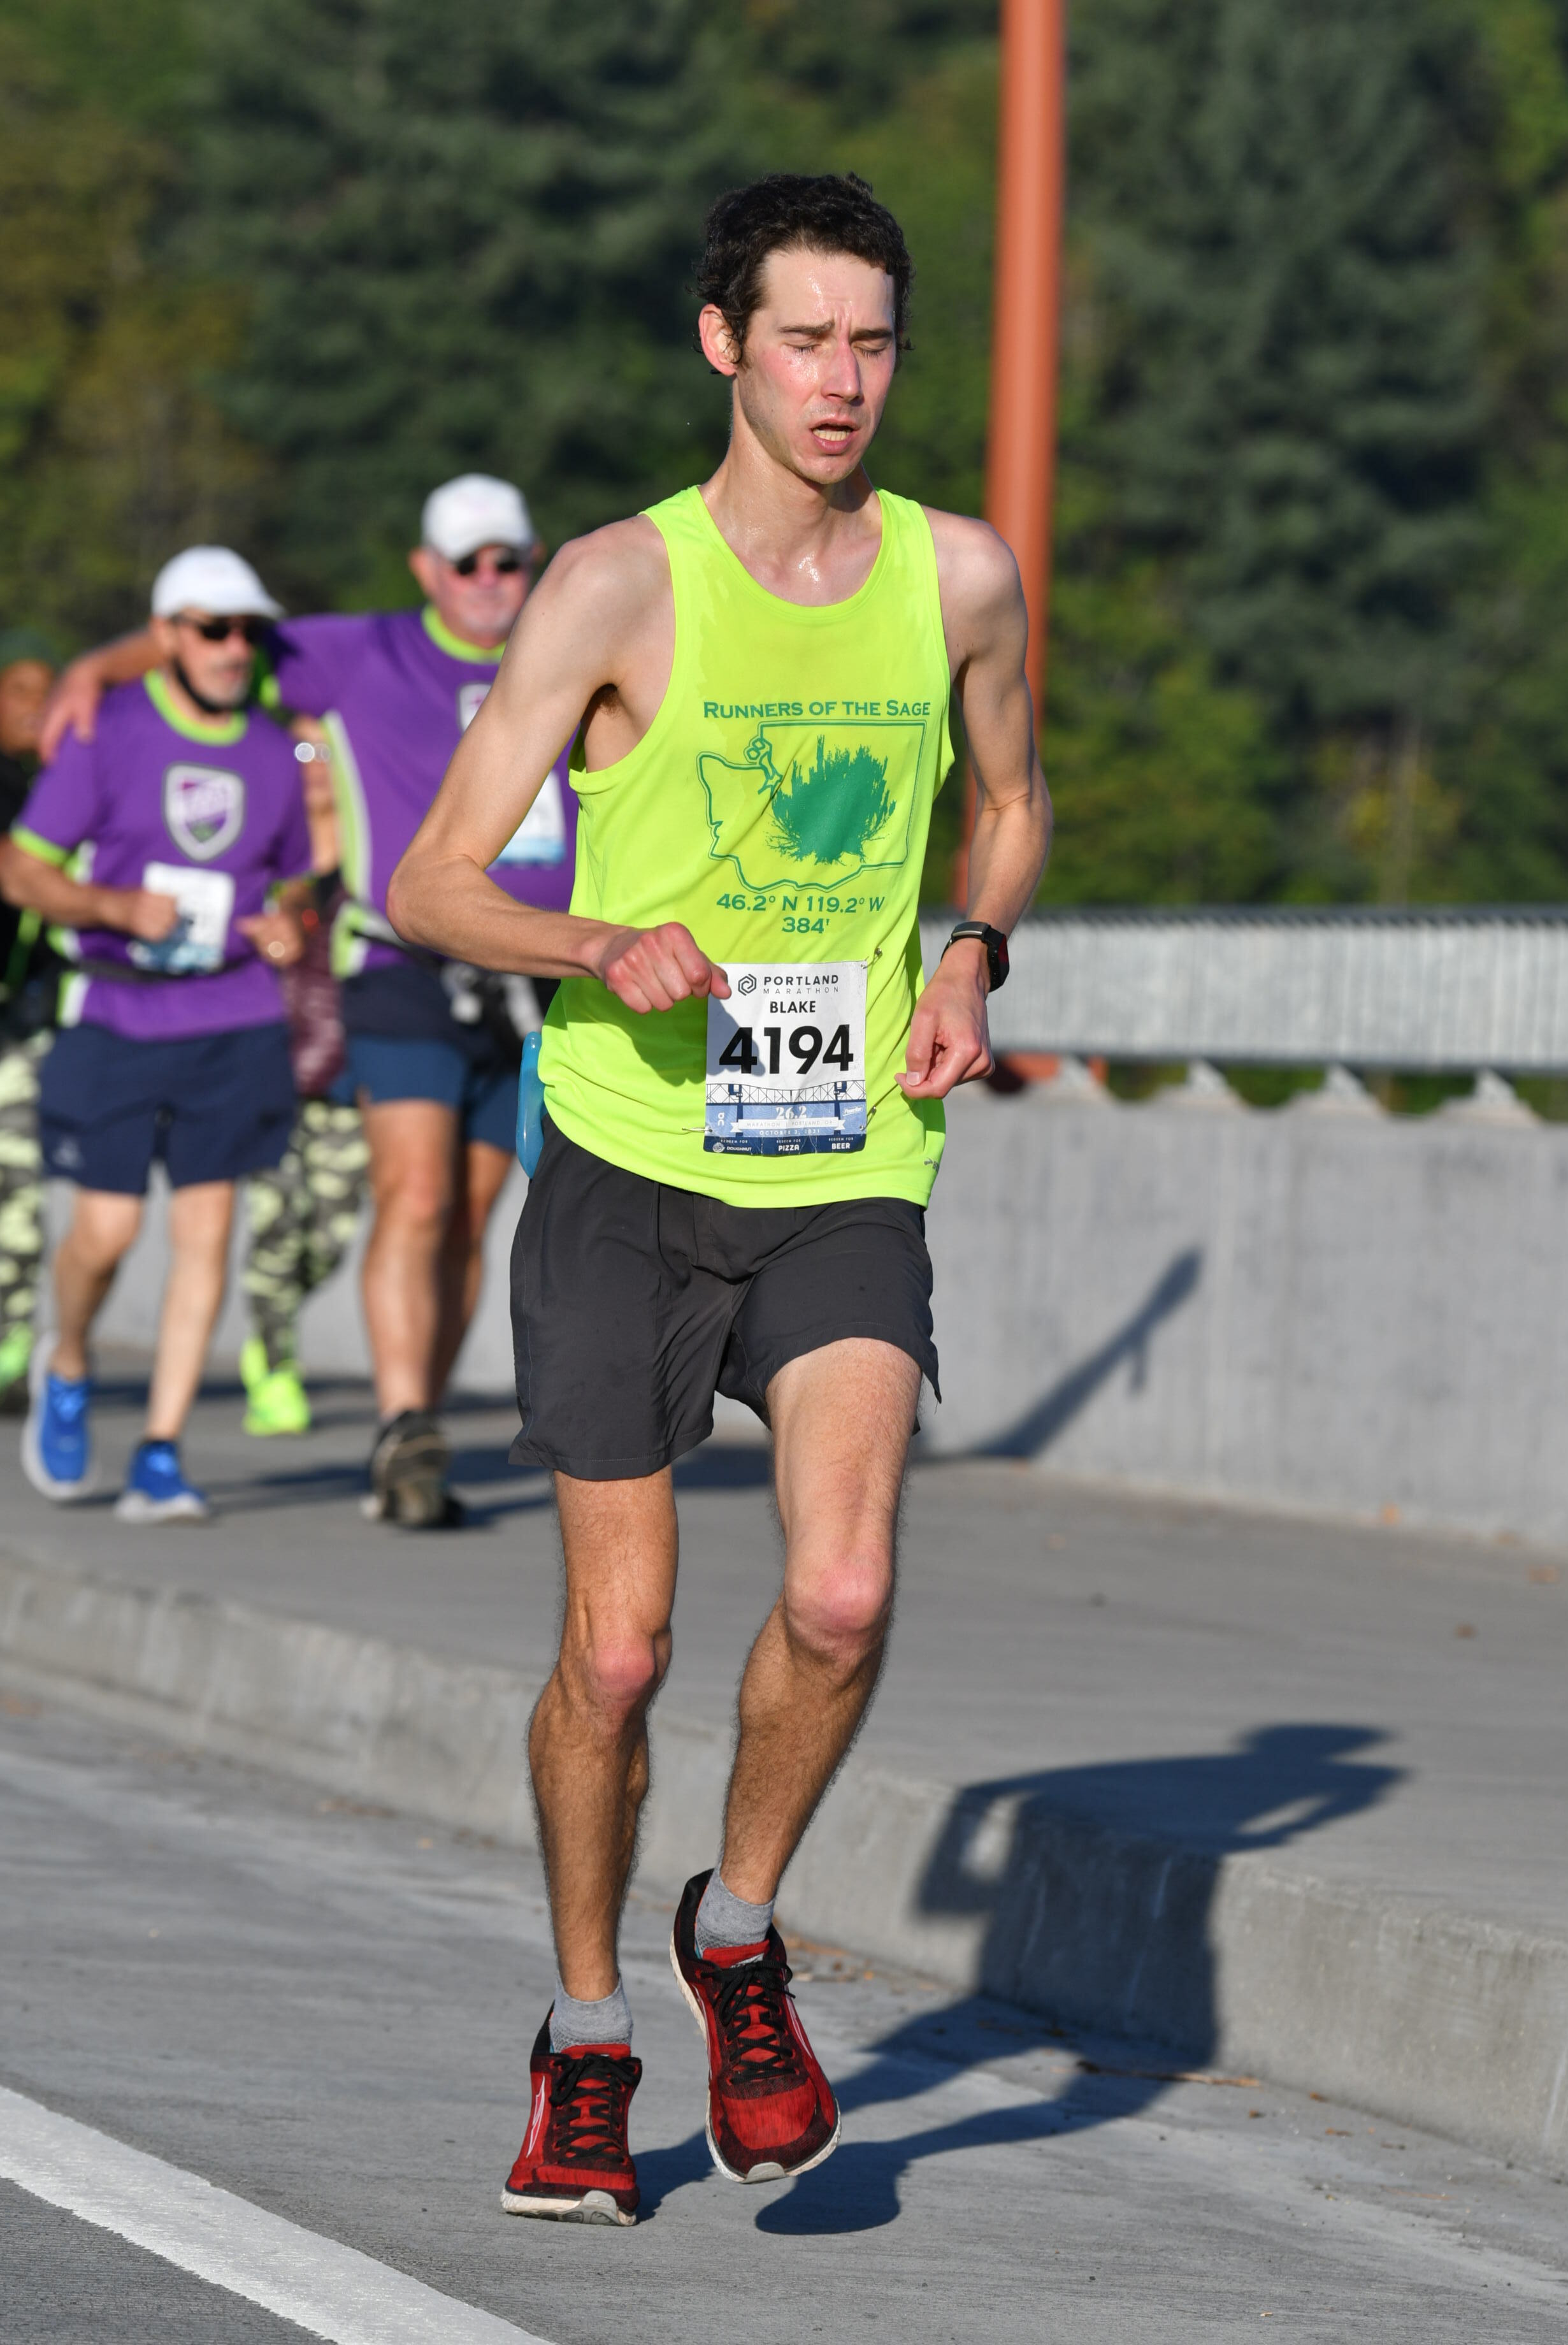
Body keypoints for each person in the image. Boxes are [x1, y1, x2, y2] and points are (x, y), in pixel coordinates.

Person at [389, 172, 1050, 2222]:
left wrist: (970, 953)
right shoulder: (615, 585)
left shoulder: (956, 576)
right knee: (618, 1653)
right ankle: (588, 2036)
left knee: (840, 1592)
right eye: (804, 340)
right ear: (723, 345)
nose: (842, 381)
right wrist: (597, 940)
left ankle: (739, 1933)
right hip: (625, 1156)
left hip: (846, 1157)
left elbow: (1010, 801)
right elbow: (429, 883)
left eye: (874, 344)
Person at [43, 476, 571, 1528]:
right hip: (402, 964)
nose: (487, 581)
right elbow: (213, 635)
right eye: (465, 562)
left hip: (535, 973)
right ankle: (400, 1421)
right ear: (426, 570)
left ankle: (415, 1435)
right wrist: (96, 669)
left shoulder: (568, 645)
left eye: (506, 560)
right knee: (414, 1197)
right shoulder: (365, 650)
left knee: (471, 1217)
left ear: (533, 563)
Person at [1, 549, 310, 1520]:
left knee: (206, 1232)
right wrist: (112, 906)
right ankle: (68, 1360)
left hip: (234, 1015)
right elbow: (22, 869)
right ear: (168, 633)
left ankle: (161, 1452)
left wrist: (285, 922)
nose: (233, 648)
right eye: (213, 628)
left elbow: (292, 878)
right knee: (104, 1232)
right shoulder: (109, 730)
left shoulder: (274, 750)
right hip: (118, 1011)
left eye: (248, 630)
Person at [238, 719, 370, 1436]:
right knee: (277, 1227)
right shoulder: (262, 847)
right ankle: (272, 1363)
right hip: (268, 1061)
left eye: (326, 749)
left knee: (331, 1236)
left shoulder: (369, 850)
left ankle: (276, 1324)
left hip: (348, 1069)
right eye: (300, 749)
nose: (314, 763)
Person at [0, 631, 64, 1414]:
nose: (36, 708)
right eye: (20, 691)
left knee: (18, 1188)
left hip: (21, 1024)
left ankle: (11, 1348)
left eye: (48, 694)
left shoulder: (56, 785)